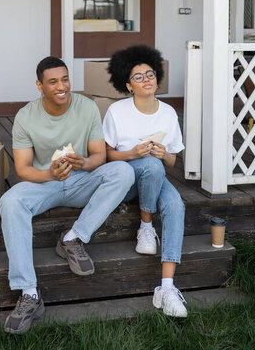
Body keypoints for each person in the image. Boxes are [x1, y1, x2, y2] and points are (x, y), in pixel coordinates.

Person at [0, 56, 135, 334]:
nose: (62, 86)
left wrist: (83, 163)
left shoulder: (87, 107)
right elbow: (23, 170)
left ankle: (73, 238)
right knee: (10, 201)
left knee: (122, 172)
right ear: (39, 86)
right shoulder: (26, 116)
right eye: (53, 82)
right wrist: (51, 174)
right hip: (44, 184)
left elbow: (99, 155)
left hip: (81, 181)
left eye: (65, 79)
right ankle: (29, 293)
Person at [103, 45, 187, 318]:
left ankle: (166, 287)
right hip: (125, 179)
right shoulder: (117, 111)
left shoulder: (169, 113)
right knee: (149, 164)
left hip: (156, 176)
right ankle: (146, 226)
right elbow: (105, 154)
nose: (146, 79)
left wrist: (164, 154)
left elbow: (173, 161)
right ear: (128, 85)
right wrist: (132, 154)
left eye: (150, 74)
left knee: (175, 205)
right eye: (138, 77)